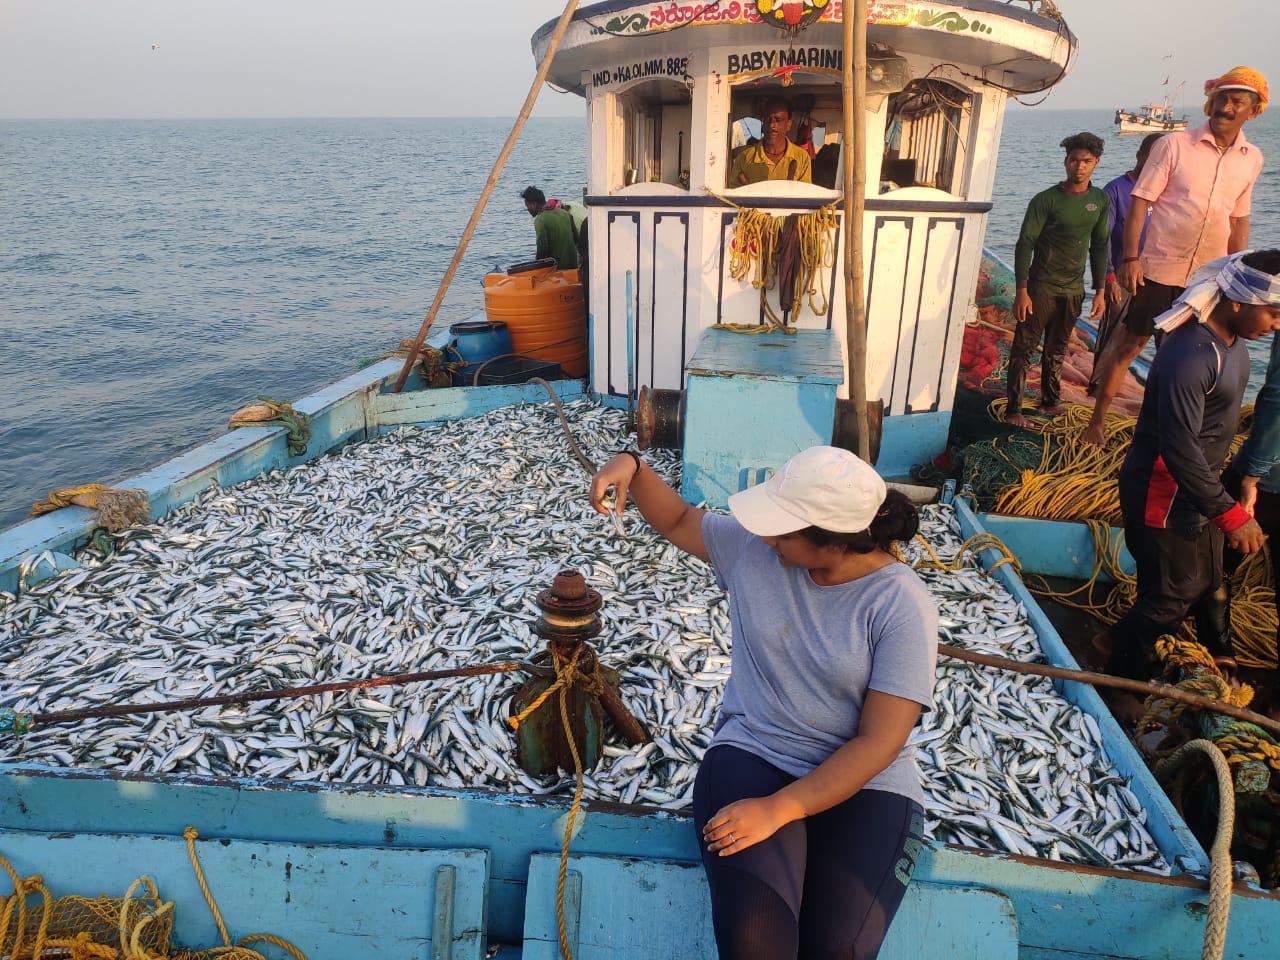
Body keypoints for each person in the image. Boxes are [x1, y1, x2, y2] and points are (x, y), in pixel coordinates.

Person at [589, 446, 936, 960]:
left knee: (838, 949)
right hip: (755, 754)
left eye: (783, 530)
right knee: (756, 942)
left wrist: (781, 809)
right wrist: (632, 468)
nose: (766, 535)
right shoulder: (756, 550)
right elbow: (681, 518)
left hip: (867, 782)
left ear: (834, 542)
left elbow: (880, 742)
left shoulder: (901, 604)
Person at [1098, 250, 1280, 725]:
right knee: (1169, 596)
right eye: (1273, 312)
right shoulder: (1190, 355)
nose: (1276, 325)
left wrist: (1243, 481)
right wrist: (1232, 515)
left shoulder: (1233, 345)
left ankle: (1115, 639)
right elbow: (1179, 449)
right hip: (1161, 492)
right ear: (1239, 302)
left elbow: (1212, 433)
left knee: (1201, 579)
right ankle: (1118, 687)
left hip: (1197, 489)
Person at [1082, 66, 1269, 446]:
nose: (1226, 106)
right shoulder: (1174, 146)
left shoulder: (1251, 159)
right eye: (1221, 98)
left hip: (1208, 280)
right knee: (1129, 345)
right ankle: (1097, 421)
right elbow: (1140, 203)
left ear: (1254, 110)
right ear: (1210, 101)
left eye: (1237, 101)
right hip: (1158, 270)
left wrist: (1241, 277)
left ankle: (1171, 434)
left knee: (1188, 358)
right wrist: (1131, 259)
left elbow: (1239, 219)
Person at [1005, 132, 1110, 426]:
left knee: (1057, 349)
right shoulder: (1046, 200)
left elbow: (1100, 245)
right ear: (1066, 162)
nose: (1079, 166)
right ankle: (1013, 408)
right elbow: (1025, 243)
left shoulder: (1099, 200)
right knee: (1024, 348)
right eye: (1074, 160)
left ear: (1096, 163)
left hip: (1074, 289)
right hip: (1041, 288)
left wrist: (1100, 290)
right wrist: (1021, 291)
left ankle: (1049, 401)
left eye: (1086, 161)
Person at [1218, 250, 1280, 716]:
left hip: (1270, 472)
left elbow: (1277, 397)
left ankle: (1218, 649)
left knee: (1215, 558)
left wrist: (1252, 475)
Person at [1089, 133, 1164, 394]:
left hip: (1157, 278)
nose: (1157, 164)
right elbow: (1102, 238)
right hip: (1122, 277)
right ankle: (1097, 387)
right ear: (1140, 155)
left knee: (1152, 336)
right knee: (1113, 334)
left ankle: (1155, 390)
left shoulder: (1167, 192)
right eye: (1152, 157)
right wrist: (1108, 276)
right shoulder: (1116, 190)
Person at [728, 97, 813, 186]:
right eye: (768, 119)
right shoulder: (744, 158)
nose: (772, 125)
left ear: (788, 124)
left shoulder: (802, 157)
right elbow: (733, 197)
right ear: (763, 122)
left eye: (778, 120)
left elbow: (805, 196)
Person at [520, 186, 578, 270]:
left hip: (558, 270)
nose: (527, 209)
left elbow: (542, 251)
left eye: (527, 205)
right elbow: (576, 239)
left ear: (533, 204)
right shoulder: (565, 213)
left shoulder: (540, 220)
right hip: (573, 267)